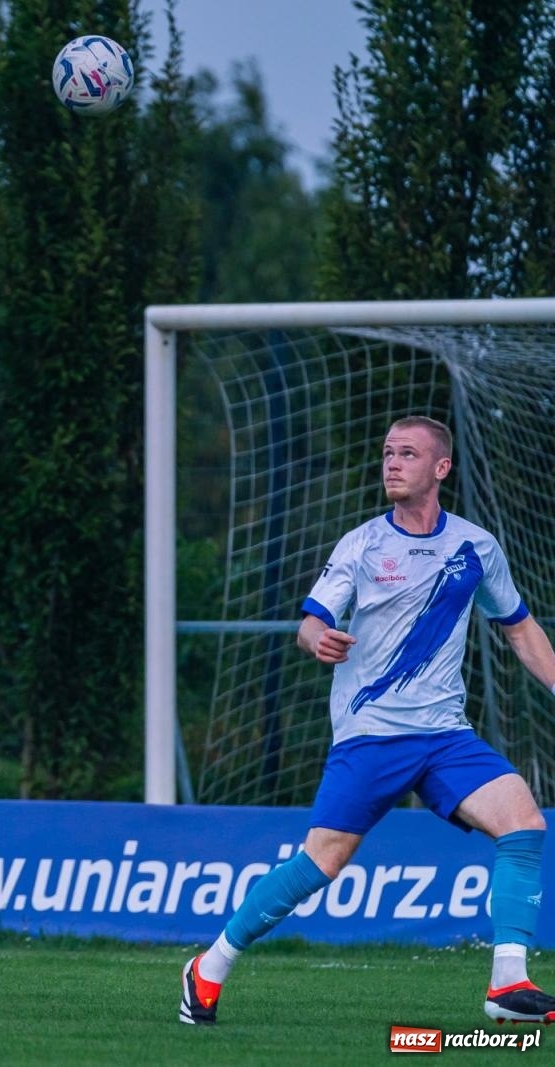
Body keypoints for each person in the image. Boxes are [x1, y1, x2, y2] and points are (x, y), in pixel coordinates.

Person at [180, 415, 555, 1027]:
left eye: (407, 454)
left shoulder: (476, 546)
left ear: (441, 468)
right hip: (371, 735)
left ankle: (507, 982)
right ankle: (209, 966)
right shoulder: (361, 544)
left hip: (444, 734)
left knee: (524, 823)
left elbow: (518, 628)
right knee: (320, 864)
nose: (391, 463)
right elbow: (310, 621)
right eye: (387, 453)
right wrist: (316, 638)